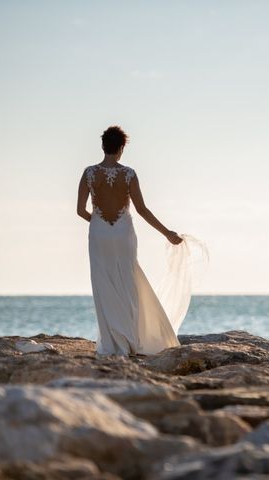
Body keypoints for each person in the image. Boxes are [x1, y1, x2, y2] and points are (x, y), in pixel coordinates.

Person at [76, 125, 183, 355]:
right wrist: (167, 233)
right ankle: (132, 339)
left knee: (103, 282)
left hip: (99, 235)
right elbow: (142, 210)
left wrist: (97, 224)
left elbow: (80, 210)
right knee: (128, 281)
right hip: (124, 233)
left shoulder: (89, 173)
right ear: (121, 148)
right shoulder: (129, 174)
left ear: (103, 146)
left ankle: (113, 341)